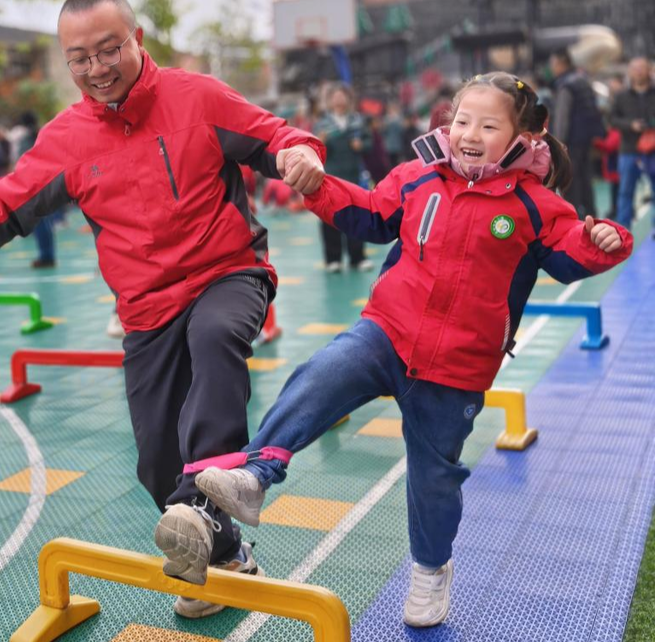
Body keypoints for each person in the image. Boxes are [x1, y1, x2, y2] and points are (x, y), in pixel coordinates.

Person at [0, 0, 326, 618]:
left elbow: (278, 137)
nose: (97, 69)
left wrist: (300, 153)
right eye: (80, 58)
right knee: (155, 461)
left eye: (109, 49)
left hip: (227, 272)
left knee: (214, 344)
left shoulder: (197, 97)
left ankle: (204, 508)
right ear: (65, 63)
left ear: (138, 41)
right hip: (146, 309)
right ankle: (227, 552)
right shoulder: (66, 139)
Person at [191, 72, 633, 628]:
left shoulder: (535, 205)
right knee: (325, 370)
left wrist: (602, 242)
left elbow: (572, 255)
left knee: (434, 478)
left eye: (489, 125)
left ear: (525, 137)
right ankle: (257, 473)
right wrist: (318, 185)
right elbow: (370, 214)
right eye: (463, 120)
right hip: (388, 330)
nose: (470, 133)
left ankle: (430, 572)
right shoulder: (419, 177)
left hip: (458, 366)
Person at [314, 83, 373, 272]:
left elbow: (370, 143)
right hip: (330, 176)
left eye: (342, 96)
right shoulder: (322, 124)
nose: (339, 99)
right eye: (335, 96)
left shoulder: (357, 121)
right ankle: (333, 259)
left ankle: (358, 257)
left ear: (348, 99)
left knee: (356, 215)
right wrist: (320, 142)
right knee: (330, 216)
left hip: (353, 175)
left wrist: (361, 145)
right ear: (330, 101)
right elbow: (313, 149)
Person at [550, 49, 606, 218]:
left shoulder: (566, 84)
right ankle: (592, 215)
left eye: (553, 64)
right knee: (585, 179)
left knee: (570, 181)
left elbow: (562, 116)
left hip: (570, 142)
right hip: (585, 140)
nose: (551, 68)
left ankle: (574, 218)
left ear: (561, 63)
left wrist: (558, 143)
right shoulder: (583, 80)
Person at [609, 56, 655, 230]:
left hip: (653, 148)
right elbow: (612, 119)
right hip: (629, 149)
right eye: (635, 68)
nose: (639, 71)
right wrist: (630, 125)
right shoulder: (621, 96)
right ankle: (623, 229)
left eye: (642, 68)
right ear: (629, 72)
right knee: (625, 191)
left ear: (649, 70)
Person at [16, 112, 56, 269]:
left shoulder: (26, 139)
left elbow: (24, 162)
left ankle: (46, 256)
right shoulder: (45, 132)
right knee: (45, 221)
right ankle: (48, 254)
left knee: (39, 222)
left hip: (33, 184)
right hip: (48, 181)